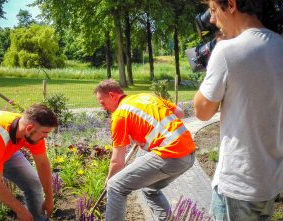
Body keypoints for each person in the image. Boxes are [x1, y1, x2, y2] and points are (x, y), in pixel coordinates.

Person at [194, 0, 283, 220]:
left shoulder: (227, 51)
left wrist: (215, 57)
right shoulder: (279, 45)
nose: (212, 20)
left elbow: (202, 111)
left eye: (214, 10)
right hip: (269, 182)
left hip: (237, 184)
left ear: (231, 5)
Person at [94, 79, 195, 221]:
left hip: (170, 156)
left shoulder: (120, 115)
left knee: (115, 186)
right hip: (189, 154)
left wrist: (109, 180)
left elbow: (117, 161)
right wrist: (147, 132)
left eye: (102, 103)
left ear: (112, 95)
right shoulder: (147, 96)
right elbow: (180, 113)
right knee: (150, 189)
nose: (103, 108)